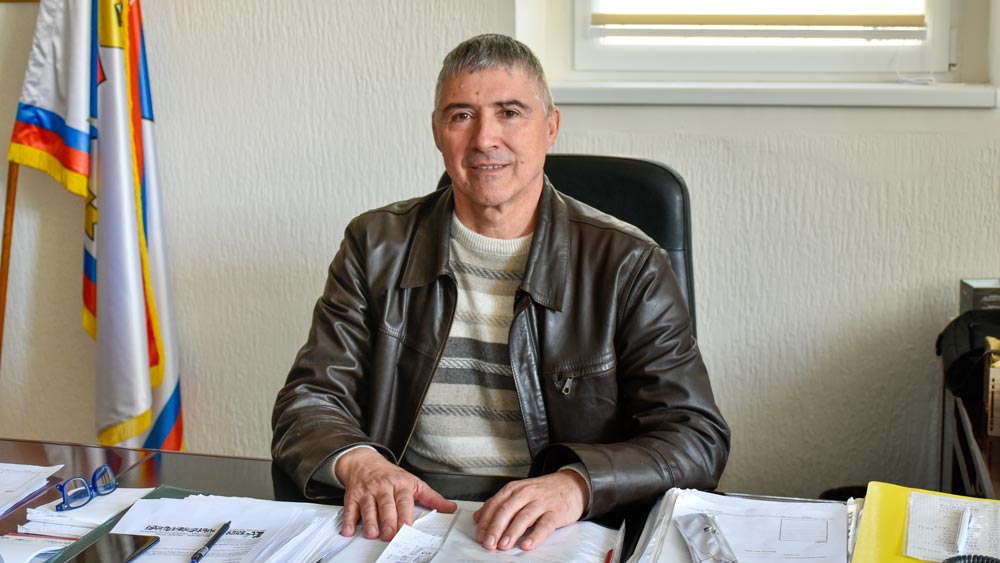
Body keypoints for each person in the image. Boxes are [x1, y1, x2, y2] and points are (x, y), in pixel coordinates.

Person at [271, 33, 730, 552]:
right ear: (437, 131)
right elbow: (308, 401)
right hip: (410, 521)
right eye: (461, 115)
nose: (484, 138)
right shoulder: (375, 245)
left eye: (510, 112)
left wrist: (577, 484)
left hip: (559, 530)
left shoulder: (629, 263)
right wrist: (362, 464)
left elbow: (695, 437)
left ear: (550, 127)